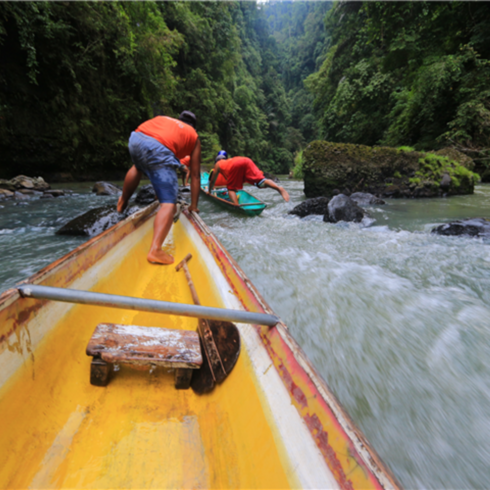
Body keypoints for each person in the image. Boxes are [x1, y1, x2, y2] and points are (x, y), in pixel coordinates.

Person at [117, 111, 201, 265]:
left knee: (138, 166)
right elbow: (195, 175)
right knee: (169, 203)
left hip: (135, 140)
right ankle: (155, 250)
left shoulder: (164, 120)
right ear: (194, 127)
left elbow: (154, 155)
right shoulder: (193, 136)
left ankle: (122, 202)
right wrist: (193, 206)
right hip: (159, 149)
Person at [208, 151, 289, 204]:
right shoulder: (229, 161)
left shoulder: (218, 164)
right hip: (246, 160)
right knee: (261, 182)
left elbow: (212, 180)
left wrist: (209, 191)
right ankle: (279, 188)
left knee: (231, 189)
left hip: (236, 165)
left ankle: (236, 207)